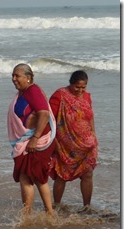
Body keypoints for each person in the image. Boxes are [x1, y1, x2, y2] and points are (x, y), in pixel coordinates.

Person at [7, 63, 56, 216]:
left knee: (32, 177)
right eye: (13, 75)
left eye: (17, 76)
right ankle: (42, 213)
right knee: (30, 177)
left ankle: (35, 214)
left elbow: (44, 113)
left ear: (28, 78)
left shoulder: (33, 91)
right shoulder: (23, 93)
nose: (14, 79)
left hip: (38, 141)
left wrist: (34, 138)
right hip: (26, 141)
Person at [49, 70, 98, 210]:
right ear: (70, 84)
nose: (80, 90)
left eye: (83, 87)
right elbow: (49, 119)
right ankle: (57, 205)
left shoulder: (87, 97)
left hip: (86, 144)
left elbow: (90, 116)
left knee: (88, 173)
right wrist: (55, 143)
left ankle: (87, 207)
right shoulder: (60, 95)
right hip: (65, 145)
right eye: (77, 87)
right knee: (61, 175)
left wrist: (94, 135)